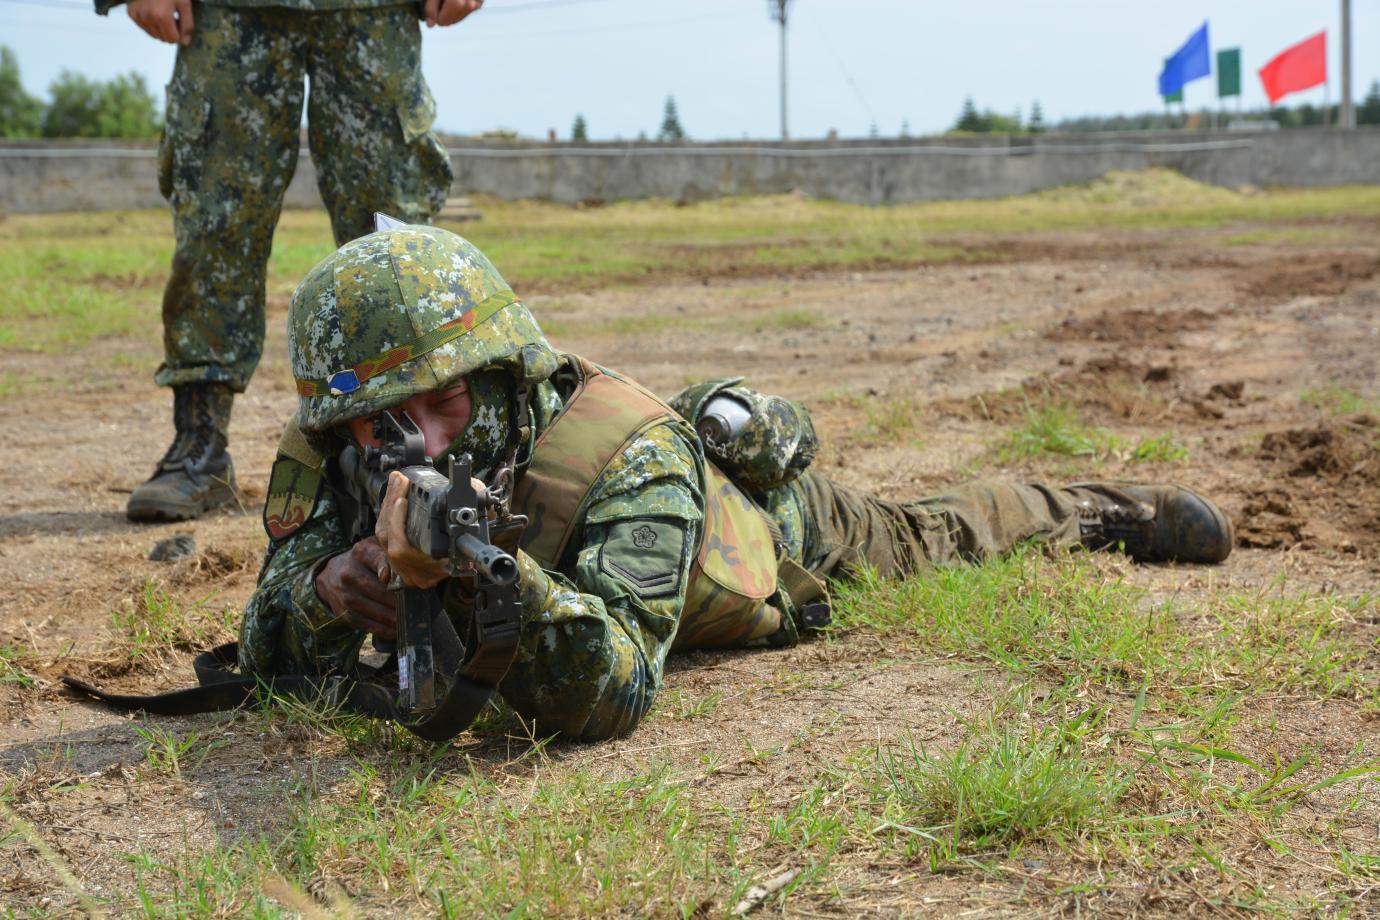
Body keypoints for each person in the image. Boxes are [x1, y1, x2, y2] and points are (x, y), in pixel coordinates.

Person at [239, 224, 1234, 742]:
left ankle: (1102, 511)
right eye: (369, 420)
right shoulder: (345, 444)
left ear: (505, 377)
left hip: (761, 531)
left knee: (924, 538)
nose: (400, 438)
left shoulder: (633, 456)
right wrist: (328, 595)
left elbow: (617, 685)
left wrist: (489, 579)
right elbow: (262, 630)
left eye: (438, 403)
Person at [99, 0, 482, 521]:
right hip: (230, 13)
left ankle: (414, 446)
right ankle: (200, 447)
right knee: (215, 226)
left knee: (392, 241)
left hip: (372, 11)